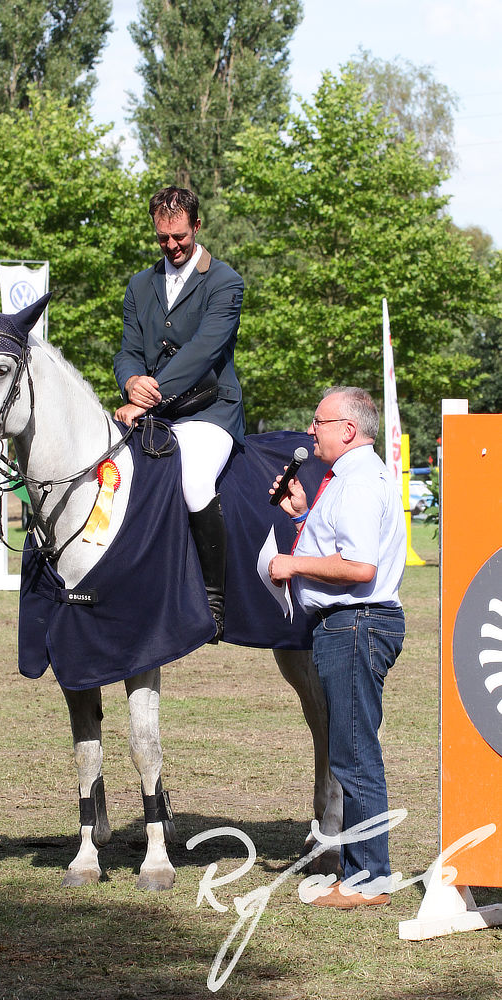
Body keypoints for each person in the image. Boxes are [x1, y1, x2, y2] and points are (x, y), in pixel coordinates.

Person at [268, 386, 406, 908]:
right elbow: (341, 549)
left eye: (318, 421)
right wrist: (301, 515)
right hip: (352, 625)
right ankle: (360, 872)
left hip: (354, 625)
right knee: (351, 752)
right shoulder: (350, 479)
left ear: (348, 429)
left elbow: (359, 567)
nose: (311, 430)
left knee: (353, 756)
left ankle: (368, 881)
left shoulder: (359, 482)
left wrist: (292, 563)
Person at [114, 186, 245, 641]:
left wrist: (144, 398)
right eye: (162, 238)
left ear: (197, 227)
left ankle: (214, 601)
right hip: (154, 411)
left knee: (193, 481)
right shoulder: (139, 285)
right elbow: (128, 350)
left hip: (210, 411)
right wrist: (131, 380)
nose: (171, 246)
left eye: (179, 237)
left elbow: (202, 353)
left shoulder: (225, 282)